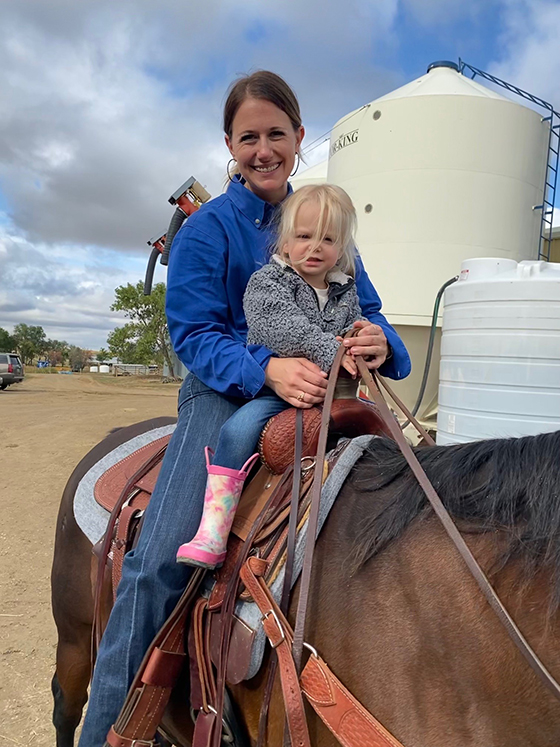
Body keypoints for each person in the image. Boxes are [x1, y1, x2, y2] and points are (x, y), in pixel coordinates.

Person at [78, 70, 411, 747]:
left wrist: (384, 340)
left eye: (276, 134)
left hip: (322, 387)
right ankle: (103, 733)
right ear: (229, 143)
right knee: (159, 562)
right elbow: (195, 335)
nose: (264, 149)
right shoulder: (209, 232)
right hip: (224, 393)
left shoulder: (326, 220)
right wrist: (265, 367)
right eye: (248, 136)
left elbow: (364, 307)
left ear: (298, 137)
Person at [176, 183, 370, 569]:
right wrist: (332, 349)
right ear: (284, 244)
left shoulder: (345, 291)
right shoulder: (268, 283)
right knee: (236, 430)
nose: (314, 247)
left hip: (335, 394)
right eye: (303, 236)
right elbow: (279, 329)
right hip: (277, 391)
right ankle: (213, 529)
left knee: (380, 434)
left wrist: (362, 339)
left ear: (341, 249)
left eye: (327, 239)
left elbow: (354, 324)